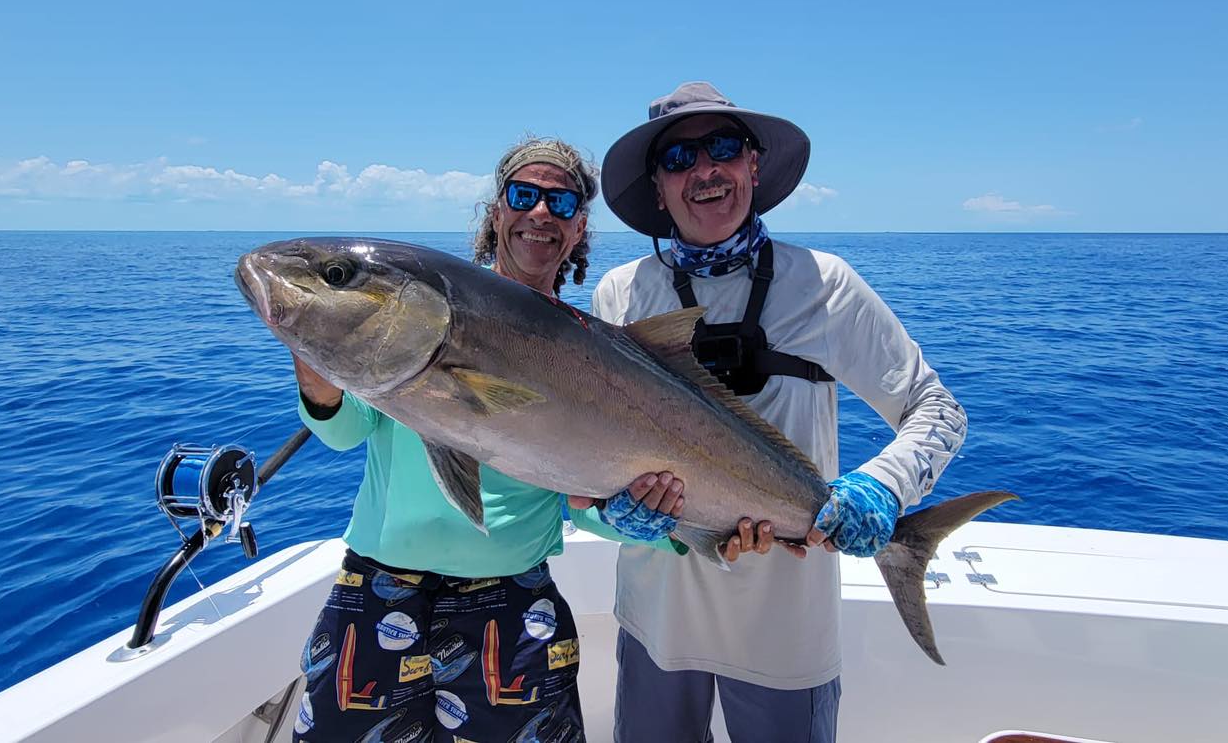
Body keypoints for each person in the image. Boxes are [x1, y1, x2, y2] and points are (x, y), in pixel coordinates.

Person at [592, 82, 969, 742]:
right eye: (679, 157)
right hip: (656, 621)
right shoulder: (622, 292)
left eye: (724, 147)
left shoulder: (825, 284)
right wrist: (615, 516)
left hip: (787, 636)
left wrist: (882, 487)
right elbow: (594, 451)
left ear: (753, 166)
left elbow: (935, 408)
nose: (705, 169)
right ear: (658, 187)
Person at [289, 137, 682, 743]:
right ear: (496, 211)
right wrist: (316, 364)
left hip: (512, 604)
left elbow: (581, 499)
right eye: (524, 195)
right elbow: (344, 432)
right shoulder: (417, 312)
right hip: (377, 589)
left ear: (579, 228)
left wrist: (632, 519)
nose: (541, 213)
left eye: (562, 201)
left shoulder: (596, 357)